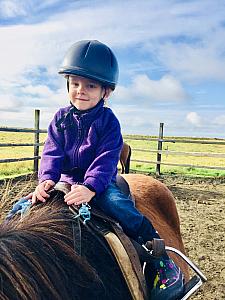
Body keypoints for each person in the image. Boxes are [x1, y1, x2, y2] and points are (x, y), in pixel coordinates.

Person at [9, 40, 184, 299]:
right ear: (68, 84)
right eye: (76, 83)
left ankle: (160, 257)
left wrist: (91, 188)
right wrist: (46, 180)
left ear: (106, 91)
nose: (81, 91)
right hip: (66, 181)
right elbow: (52, 151)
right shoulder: (60, 118)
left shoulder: (109, 122)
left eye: (90, 85)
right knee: (21, 207)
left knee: (118, 206)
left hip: (100, 181)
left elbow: (106, 159)